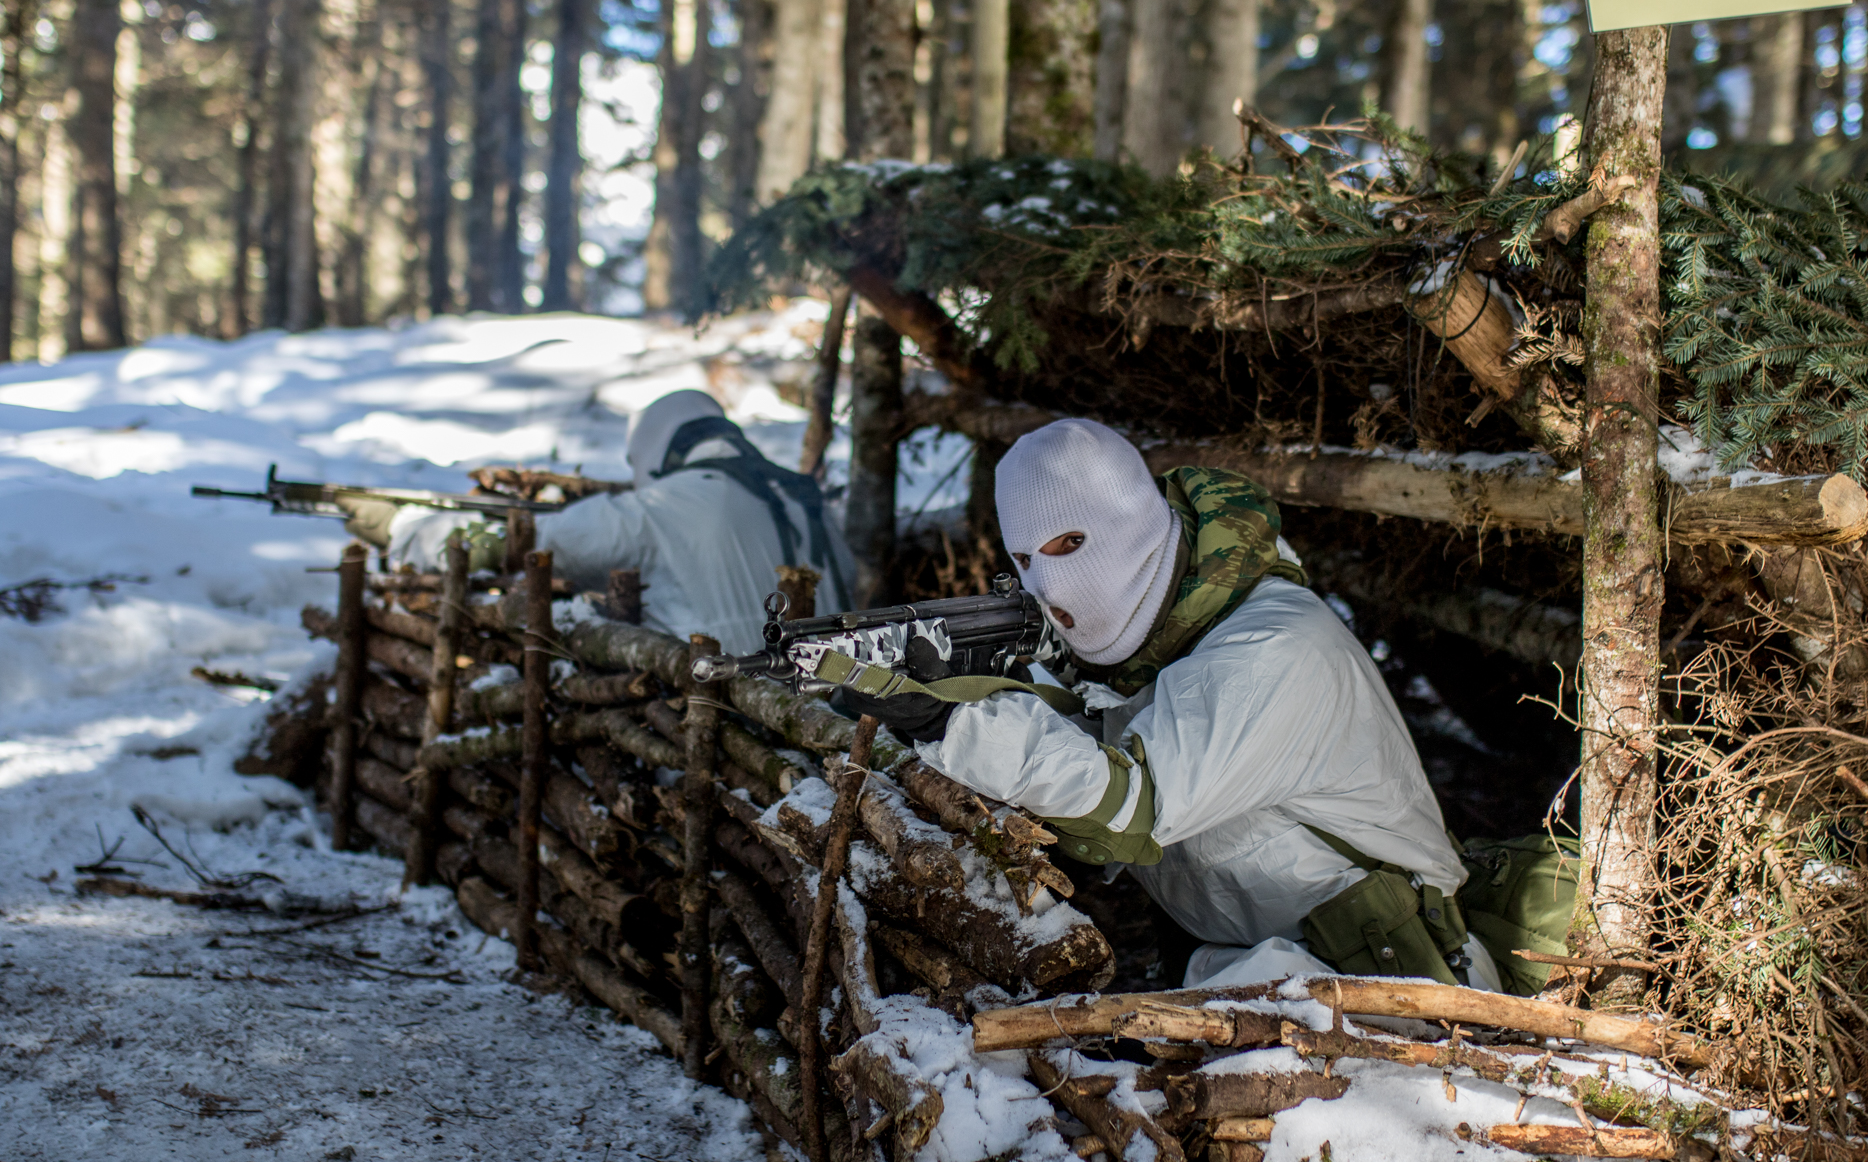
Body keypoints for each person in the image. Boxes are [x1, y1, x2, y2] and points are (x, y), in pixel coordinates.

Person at [845, 417, 1510, 991]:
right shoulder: (1152, 645)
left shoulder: (1272, 648)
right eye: (1026, 559)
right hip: (1268, 971)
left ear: (1133, 523)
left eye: (1071, 544)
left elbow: (1130, 805)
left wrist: (952, 721)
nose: (1049, 582)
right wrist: (963, 683)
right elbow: (1082, 733)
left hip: (1397, 984)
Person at [345, 390, 855, 654]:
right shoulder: (803, 497)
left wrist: (404, 528)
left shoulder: (662, 507)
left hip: (729, 717)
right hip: (832, 710)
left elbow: (524, 545)